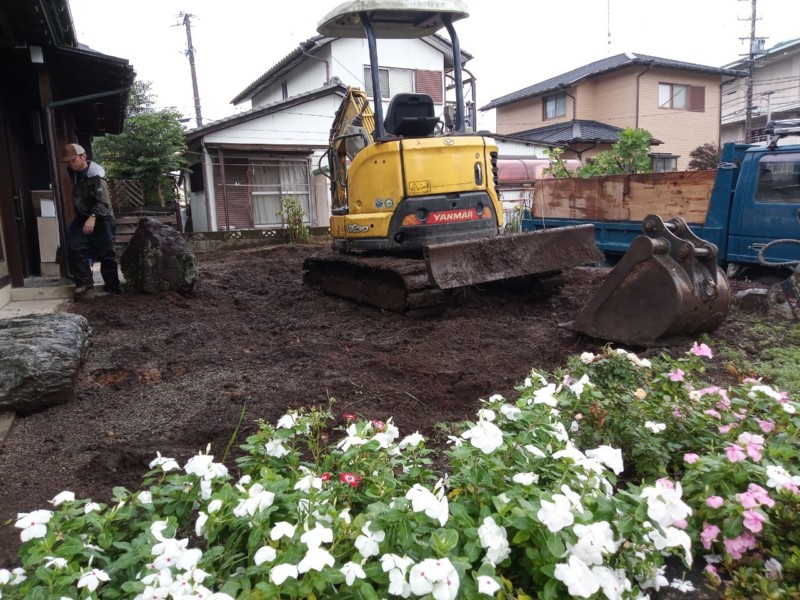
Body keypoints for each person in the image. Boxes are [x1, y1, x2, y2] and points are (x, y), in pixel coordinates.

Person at [61, 143, 122, 295]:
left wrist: (93, 216)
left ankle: (113, 288)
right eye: (68, 161)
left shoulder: (97, 177)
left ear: (83, 156)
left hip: (102, 218)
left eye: (73, 160)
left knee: (106, 253)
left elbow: (104, 203)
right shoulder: (74, 173)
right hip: (83, 217)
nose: (71, 164)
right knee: (75, 246)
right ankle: (85, 283)